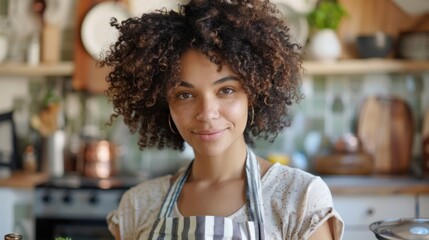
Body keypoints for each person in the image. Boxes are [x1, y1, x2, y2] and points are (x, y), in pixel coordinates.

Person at [101, 0, 344, 239]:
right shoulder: (138, 205)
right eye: (185, 95)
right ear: (164, 104)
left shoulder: (299, 199)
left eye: (226, 90)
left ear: (253, 94)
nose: (207, 112)